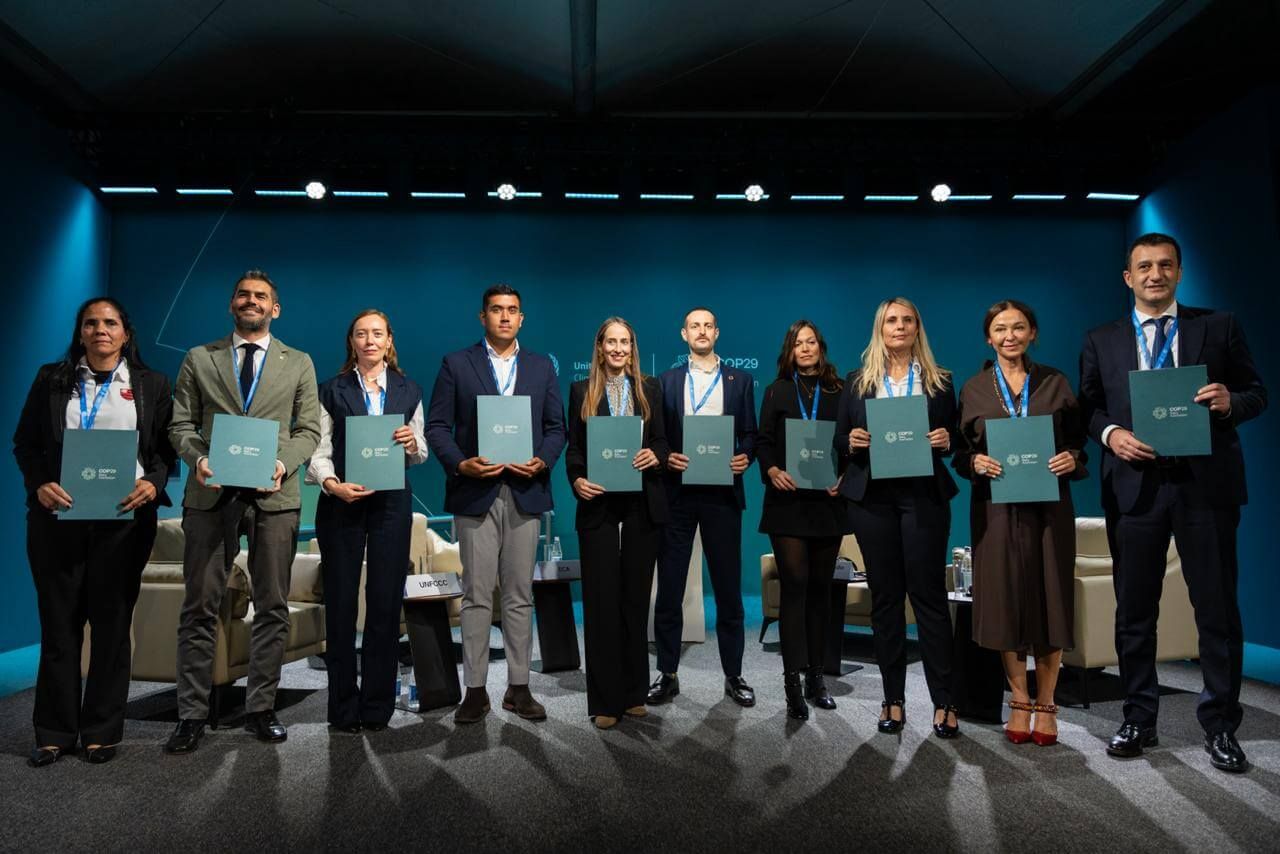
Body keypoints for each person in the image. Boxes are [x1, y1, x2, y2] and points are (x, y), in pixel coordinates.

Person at [1079, 233, 1266, 772]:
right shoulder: (1101, 339)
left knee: (1217, 610)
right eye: (1144, 266)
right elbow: (1088, 407)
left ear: (1179, 272)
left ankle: (1221, 726)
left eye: (1165, 265)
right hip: (1135, 487)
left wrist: (1230, 402)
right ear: (1128, 277)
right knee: (1134, 610)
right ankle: (1138, 717)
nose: (1155, 274)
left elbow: (1256, 393)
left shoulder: (1218, 326)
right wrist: (1112, 434)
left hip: (1204, 486)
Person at [165, 270, 321, 753]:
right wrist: (198, 460)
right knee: (199, 605)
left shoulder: (299, 362)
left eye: (261, 296)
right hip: (210, 495)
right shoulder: (200, 357)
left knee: (272, 605)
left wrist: (282, 463)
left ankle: (260, 707)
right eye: (243, 295)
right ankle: (191, 714)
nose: (251, 301)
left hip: (274, 495)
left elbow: (309, 430)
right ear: (232, 304)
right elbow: (180, 425)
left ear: (275, 309)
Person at [14, 297, 175, 766]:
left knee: (111, 628)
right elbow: (25, 444)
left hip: (125, 523)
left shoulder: (151, 384)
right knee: (59, 627)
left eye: (109, 323)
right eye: (90, 323)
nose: (100, 330)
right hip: (57, 521)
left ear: (126, 332)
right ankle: (54, 732)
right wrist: (40, 483)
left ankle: (102, 731)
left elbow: (165, 451)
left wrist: (153, 483)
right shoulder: (52, 379)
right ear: (80, 331)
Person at [425, 284, 566, 725]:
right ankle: (476, 690)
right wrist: (460, 463)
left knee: (520, 595)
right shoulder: (456, 364)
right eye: (497, 310)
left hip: (525, 490)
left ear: (522, 318)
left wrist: (542, 459)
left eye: (512, 310)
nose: (505, 317)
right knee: (476, 595)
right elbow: (437, 427)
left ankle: (519, 688)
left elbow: (556, 428)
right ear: (482, 316)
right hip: (475, 492)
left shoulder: (541, 366)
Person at [955, 299, 1087, 746]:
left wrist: (1072, 458)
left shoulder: (1055, 382)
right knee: (1005, 601)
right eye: (1000, 329)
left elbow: (1078, 441)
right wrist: (975, 462)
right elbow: (960, 452)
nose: (1009, 336)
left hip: (1050, 507)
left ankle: (1046, 701)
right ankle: (1018, 698)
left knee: (1051, 600)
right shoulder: (974, 388)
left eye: (1018, 327)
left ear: (1032, 333)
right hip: (996, 508)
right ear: (988, 338)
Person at [836, 297, 960, 738]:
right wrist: (852, 440)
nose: (900, 326)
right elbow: (839, 442)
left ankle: (944, 702)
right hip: (873, 500)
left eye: (908, 320)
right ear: (880, 328)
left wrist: (947, 439)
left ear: (917, 328)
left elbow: (956, 439)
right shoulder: (857, 382)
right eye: (892, 320)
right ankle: (892, 700)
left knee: (929, 599)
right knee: (886, 601)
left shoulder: (940, 382)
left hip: (923, 497)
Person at [307, 309, 428, 733]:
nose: (370, 340)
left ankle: (377, 706)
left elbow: (420, 451)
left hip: (392, 504)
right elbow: (318, 450)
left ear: (389, 340)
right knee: (340, 605)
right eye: (361, 334)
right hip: (341, 502)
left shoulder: (409, 389)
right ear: (352, 342)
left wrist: (412, 443)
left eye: (377, 333)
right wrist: (331, 484)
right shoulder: (330, 390)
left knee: (384, 604)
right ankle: (343, 707)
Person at [649, 307, 757, 708]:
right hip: (678, 495)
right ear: (684, 334)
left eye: (708, 325)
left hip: (723, 495)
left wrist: (746, 456)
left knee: (728, 590)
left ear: (717, 332)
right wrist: (667, 457)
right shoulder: (666, 381)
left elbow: (750, 433)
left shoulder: (739, 381)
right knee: (670, 590)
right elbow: (658, 436)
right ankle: (667, 673)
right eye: (694, 326)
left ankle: (734, 675)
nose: (701, 331)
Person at [566, 317, 669, 729]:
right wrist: (577, 479)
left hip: (642, 504)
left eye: (625, 341)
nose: (618, 348)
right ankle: (606, 701)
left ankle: (634, 693)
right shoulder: (581, 391)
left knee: (635, 602)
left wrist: (656, 456)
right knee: (601, 603)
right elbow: (575, 449)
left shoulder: (650, 388)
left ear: (632, 347)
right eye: (611, 341)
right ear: (600, 346)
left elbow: (662, 441)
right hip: (599, 505)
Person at [756, 320, 849, 721]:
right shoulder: (776, 390)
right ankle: (791, 683)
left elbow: (851, 441)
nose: (806, 348)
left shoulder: (840, 390)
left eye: (811, 342)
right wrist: (772, 469)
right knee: (795, 589)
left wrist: (845, 475)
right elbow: (762, 441)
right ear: (790, 351)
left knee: (820, 593)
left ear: (821, 347)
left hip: (828, 502)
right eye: (798, 343)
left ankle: (817, 679)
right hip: (787, 502)